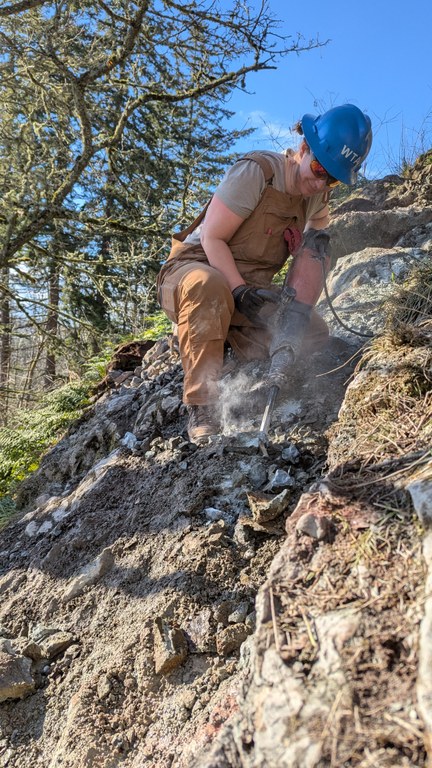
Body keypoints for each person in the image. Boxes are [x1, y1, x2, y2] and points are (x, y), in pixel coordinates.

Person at [157, 104, 372, 443]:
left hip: (249, 292)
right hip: (195, 270)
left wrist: (294, 315)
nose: (320, 183)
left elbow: (312, 254)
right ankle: (203, 404)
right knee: (209, 287)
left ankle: (224, 343)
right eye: (318, 167)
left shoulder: (317, 198)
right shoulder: (257, 172)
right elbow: (213, 237)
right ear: (303, 149)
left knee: (310, 333)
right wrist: (239, 291)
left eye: (332, 177)